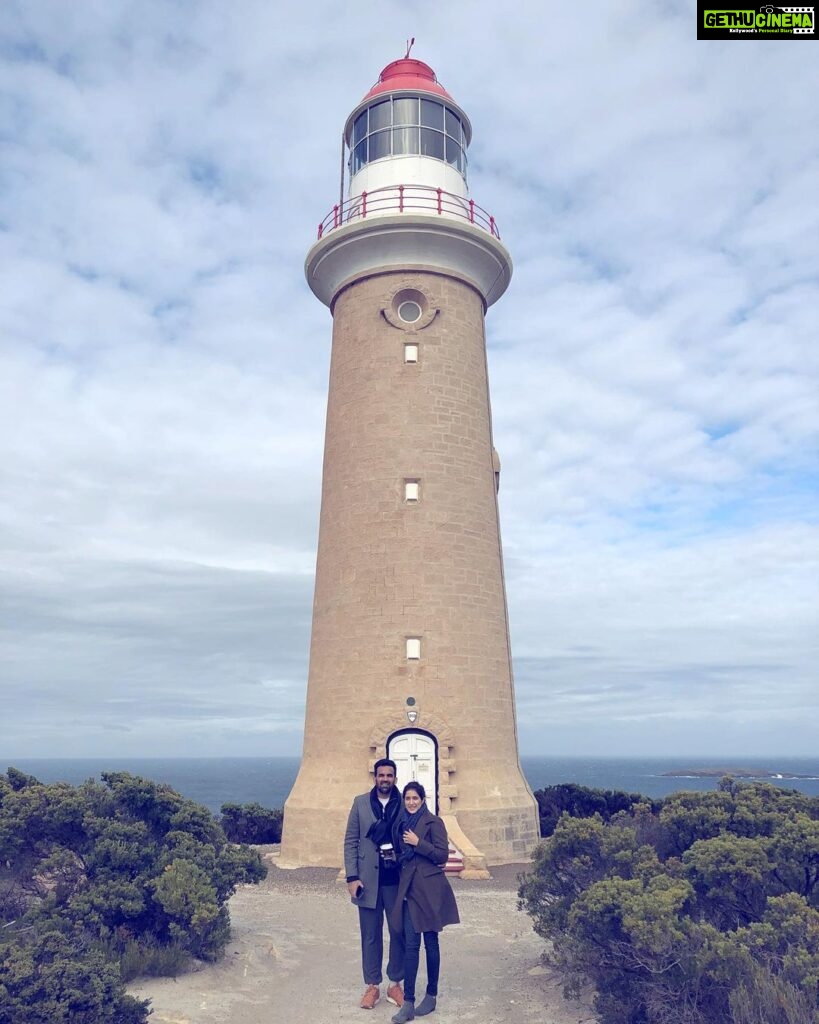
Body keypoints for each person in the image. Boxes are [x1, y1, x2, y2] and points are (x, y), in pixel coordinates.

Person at [388, 781, 460, 1022]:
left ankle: (431, 995)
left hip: (428, 889)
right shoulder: (400, 825)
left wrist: (419, 843)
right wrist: (393, 857)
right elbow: (402, 856)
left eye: (415, 798)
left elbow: (441, 855)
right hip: (409, 889)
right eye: (407, 798)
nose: (410, 802)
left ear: (422, 799)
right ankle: (408, 1002)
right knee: (410, 945)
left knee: (431, 942)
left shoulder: (434, 822)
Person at [344, 758, 406, 1010]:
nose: (385, 779)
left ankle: (395, 984)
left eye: (389, 775)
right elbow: (350, 841)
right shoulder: (360, 803)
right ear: (375, 777)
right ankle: (372, 986)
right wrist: (351, 876)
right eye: (381, 775)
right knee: (370, 935)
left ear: (394, 778)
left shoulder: (404, 804)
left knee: (398, 932)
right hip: (367, 881)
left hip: (396, 880)